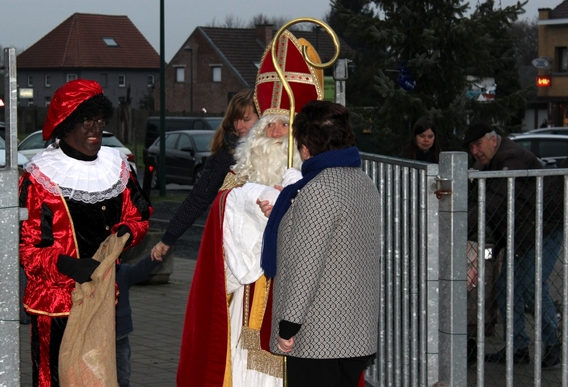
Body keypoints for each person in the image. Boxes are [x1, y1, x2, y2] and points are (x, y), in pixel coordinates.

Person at [175, 29, 323, 387]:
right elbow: (222, 214)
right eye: (269, 123)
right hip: (246, 295)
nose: (274, 133)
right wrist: (254, 200)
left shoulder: (312, 174)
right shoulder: (237, 175)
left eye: (284, 125)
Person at [19, 79, 152, 386]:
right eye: (86, 122)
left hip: (103, 298)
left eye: (100, 121)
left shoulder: (116, 167)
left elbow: (140, 216)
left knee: (100, 376)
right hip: (56, 304)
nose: (96, 130)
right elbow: (28, 249)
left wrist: (125, 236)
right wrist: (70, 265)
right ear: (66, 126)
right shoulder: (40, 178)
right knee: (56, 378)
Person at [261, 100, 381, 387]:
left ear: (305, 148)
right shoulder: (363, 182)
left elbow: (306, 266)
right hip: (355, 331)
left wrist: (288, 326)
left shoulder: (317, 190)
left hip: (318, 337)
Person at [463, 121, 563, 368]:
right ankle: (518, 348)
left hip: (544, 230)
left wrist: (461, 224)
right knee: (507, 287)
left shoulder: (511, 157)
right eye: (471, 147)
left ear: (492, 139)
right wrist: (486, 250)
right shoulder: (488, 164)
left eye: (478, 144)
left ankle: (554, 343)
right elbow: (485, 207)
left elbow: (495, 201)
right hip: (520, 236)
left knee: (531, 286)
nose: (475, 151)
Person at [150, 88, 258, 260]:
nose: (239, 126)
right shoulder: (225, 154)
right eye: (235, 120)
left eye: (246, 120)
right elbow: (198, 197)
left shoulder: (280, 152)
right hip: (235, 245)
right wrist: (168, 238)